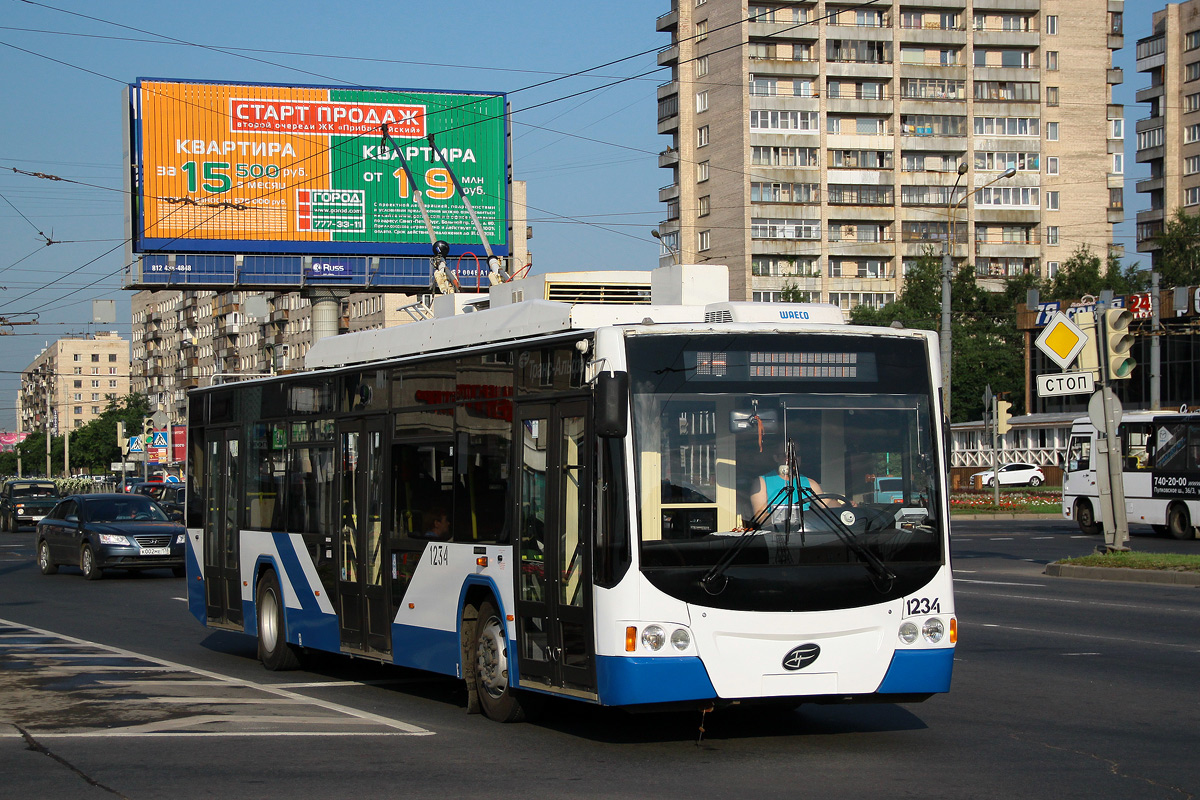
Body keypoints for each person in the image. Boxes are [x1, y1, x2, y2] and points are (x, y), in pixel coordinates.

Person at [750, 459, 822, 523]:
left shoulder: (810, 483)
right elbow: (760, 517)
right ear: (776, 458)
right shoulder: (762, 481)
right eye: (785, 455)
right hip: (775, 534)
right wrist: (786, 520)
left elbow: (828, 506)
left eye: (796, 455)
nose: (791, 459)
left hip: (806, 533)